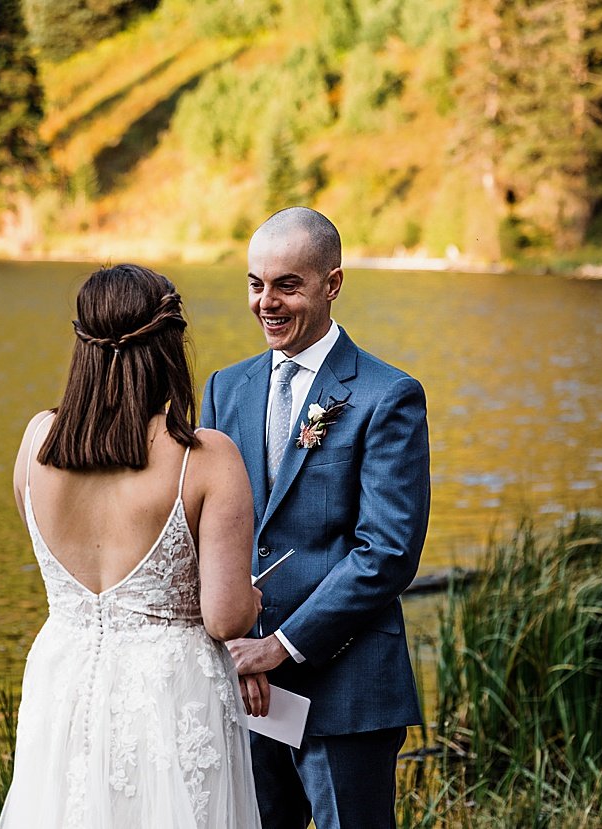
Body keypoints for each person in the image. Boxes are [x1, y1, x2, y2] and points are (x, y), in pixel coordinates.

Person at [0, 263, 263, 828]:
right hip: (169, 692)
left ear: (82, 346)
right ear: (171, 346)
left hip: (63, 677)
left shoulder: (36, 440)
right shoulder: (204, 456)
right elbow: (227, 617)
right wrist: (255, 598)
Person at [200, 207, 430, 829]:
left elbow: (387, 552)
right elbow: (206, 532)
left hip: (346, 686)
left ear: (332, 283)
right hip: (244, 685)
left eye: (287, 285)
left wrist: (281, 646)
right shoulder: (225, 389)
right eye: (255, 284)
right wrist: (232, 645)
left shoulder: (388, 395)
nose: (265, 303)